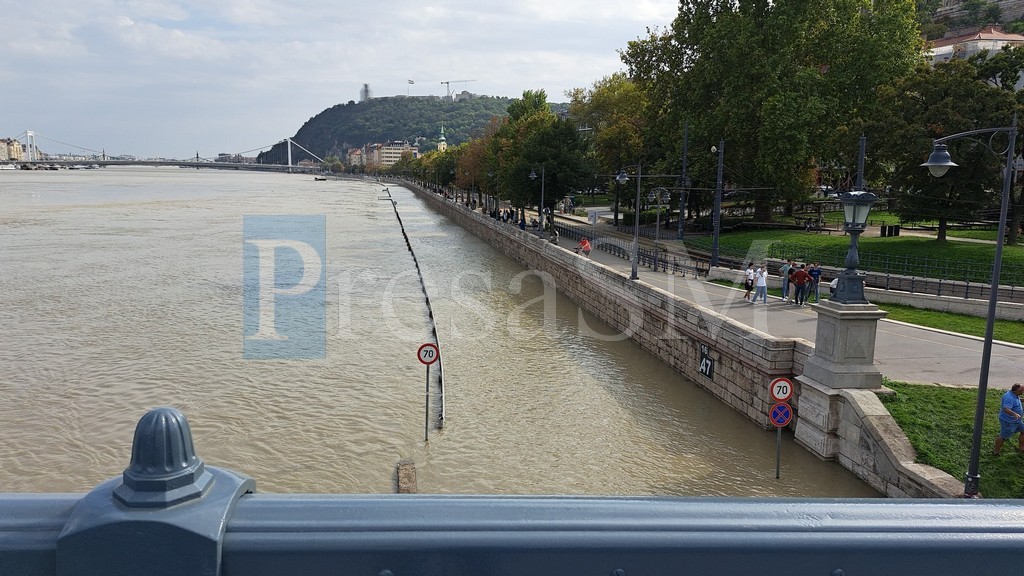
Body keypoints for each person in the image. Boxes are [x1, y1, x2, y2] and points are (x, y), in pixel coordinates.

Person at [994, 384, 1024, 455]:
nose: (1023, 391)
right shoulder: (1009, 397)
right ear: (1017, 390)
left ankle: (1021, 448)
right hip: (1009, 421)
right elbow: (1006, 409)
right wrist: (1015, 414)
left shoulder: (1015, 394)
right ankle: (996, 451)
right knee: (1003, 436)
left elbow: (1017, 400)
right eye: (1022, 390)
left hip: (1017, 421)